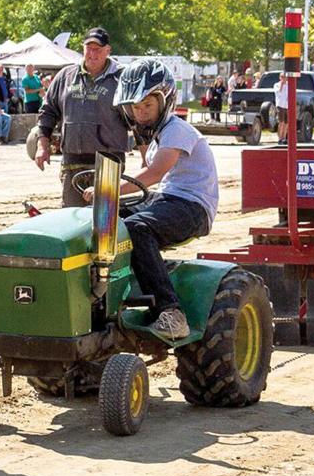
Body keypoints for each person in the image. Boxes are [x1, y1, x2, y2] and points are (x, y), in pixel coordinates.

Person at [82, 59, 218, 340]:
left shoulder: (177, 130)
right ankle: (102, 298)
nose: (141, 113)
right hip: (168, 199)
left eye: (148, 105)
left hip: (192, 206)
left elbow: (154, 173)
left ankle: (171, 313)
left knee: (137, 228)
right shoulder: (156, 134)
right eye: (135, 107)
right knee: (104, 221)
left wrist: (109, 190)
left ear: (164, 102)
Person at [35, 27, 133, 207]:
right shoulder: (65, 76)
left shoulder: (122, 78)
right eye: (89, 48)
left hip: (108, 163)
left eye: (98, 49)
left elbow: (136, 119)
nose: (93, 54)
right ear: (83, 48)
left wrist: (146, 157)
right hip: (72, 162)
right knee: (71, 215)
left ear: (108, 50)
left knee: (103, 219)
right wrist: (42, 146)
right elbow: (48, 112)